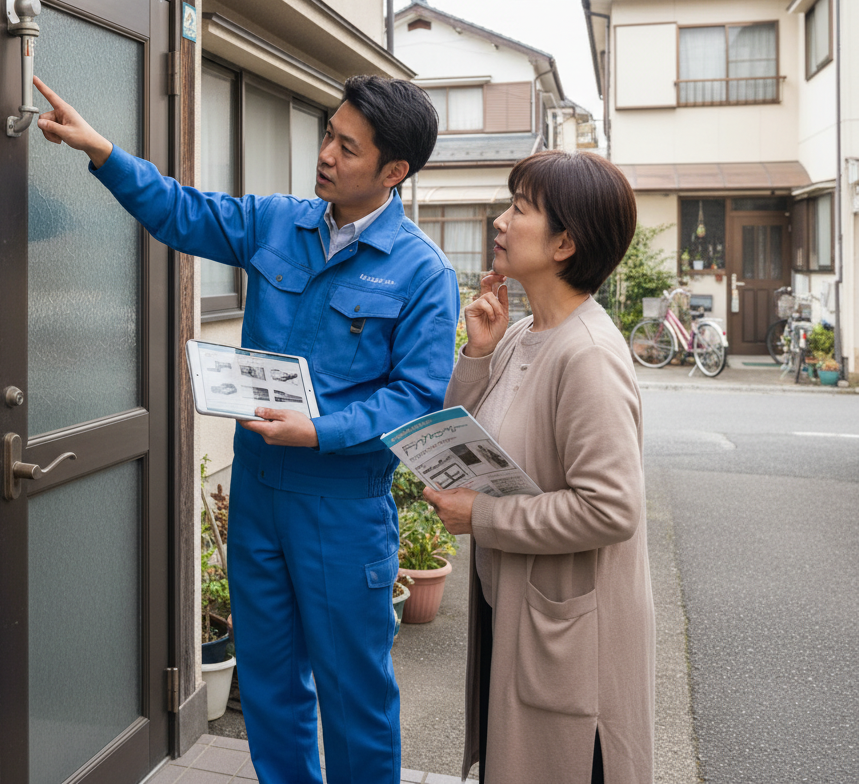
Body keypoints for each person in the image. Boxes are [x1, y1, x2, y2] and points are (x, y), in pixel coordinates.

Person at [32, 73, 459, 784]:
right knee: (268, 687)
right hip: (258, 495)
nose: (324, 153)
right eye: (327, 132)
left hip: (342, 507)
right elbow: (180, 212)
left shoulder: (422, 273)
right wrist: (103, 150)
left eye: (346, 147)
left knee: (355, 698)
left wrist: (319, 429)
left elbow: (416, 398)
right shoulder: (275, 222)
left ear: (394, 172)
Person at [424, 149, 654, 784]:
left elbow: (612, 508)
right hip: (522, 614)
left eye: (519, 209)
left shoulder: (588, 355)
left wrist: (486, 516)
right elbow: (459, 448)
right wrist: (476, 354)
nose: (500, 221)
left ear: (565, 244)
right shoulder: (525, 333)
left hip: (571, 634)